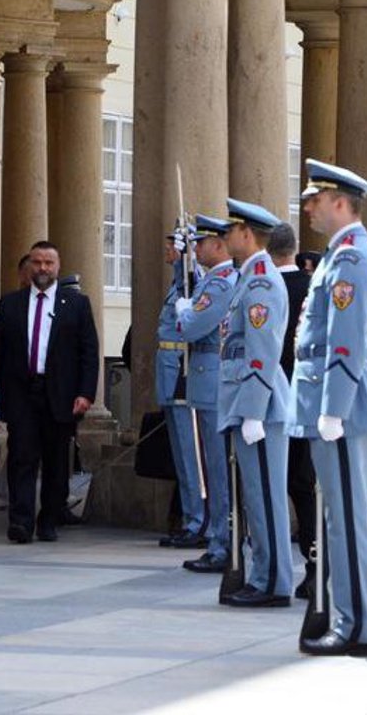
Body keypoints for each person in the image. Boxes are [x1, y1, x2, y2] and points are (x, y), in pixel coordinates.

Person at [291, 158, 367, 659]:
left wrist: (332, 408)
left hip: (342, 408)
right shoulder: (336, 256)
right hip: (327, 402)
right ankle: (351, 619)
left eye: (316, 199)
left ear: (340, 203)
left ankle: (359, 628)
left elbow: (346, 343)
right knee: (340, 518)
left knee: (350, 520)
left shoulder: (350, 258)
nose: (308, 207)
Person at [0, 239, 99, 545]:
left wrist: (86, 393)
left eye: (48, 263)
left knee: (57, 461)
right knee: (22, 457)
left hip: (59, 393)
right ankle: (20, 522)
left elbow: (89, 351)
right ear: (29, 266)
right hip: (21, 392)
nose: (43, 268)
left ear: (57, 267)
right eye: (37, 262)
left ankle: (48, 518)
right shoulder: (10, 304)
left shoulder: (76, 304)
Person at [218, 199, 293, 607]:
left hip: (259, 408)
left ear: (247, 234)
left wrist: (252, 410)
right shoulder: (248, 278)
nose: (226, 238)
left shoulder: (261, 280)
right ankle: (265, 575)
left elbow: (262, 351)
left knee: (265, 497)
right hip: (250, 403)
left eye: (231, 231)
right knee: (257, 496)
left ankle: (273, 582)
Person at [174, 214, 239, 576]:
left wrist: (185, 314)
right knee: (212, 468)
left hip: (213, 381)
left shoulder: (220, 283)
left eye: (201, 243)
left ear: (218, 245)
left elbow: (192, 325)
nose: (196, 249)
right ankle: (220, 537)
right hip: (207, 381)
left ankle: (222, 541)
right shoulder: (212, 280)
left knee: (216, 468)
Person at [267, 219, 317, 594]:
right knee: (304, 485)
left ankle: (270, 564)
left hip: (269, 397)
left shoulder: (263, 287)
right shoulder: (310, 286)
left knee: (272, 484)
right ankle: (314, 566)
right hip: (304, 397)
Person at [155, 228, 207, 548]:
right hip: (169, 372)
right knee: (181, 452)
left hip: (182, 374)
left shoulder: (192, 281)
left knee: (192, 456)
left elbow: (192, 281)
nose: (167, 252)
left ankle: (197, 521)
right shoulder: (178, 286)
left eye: (173, 247)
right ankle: (191, 517)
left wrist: (187, 256)